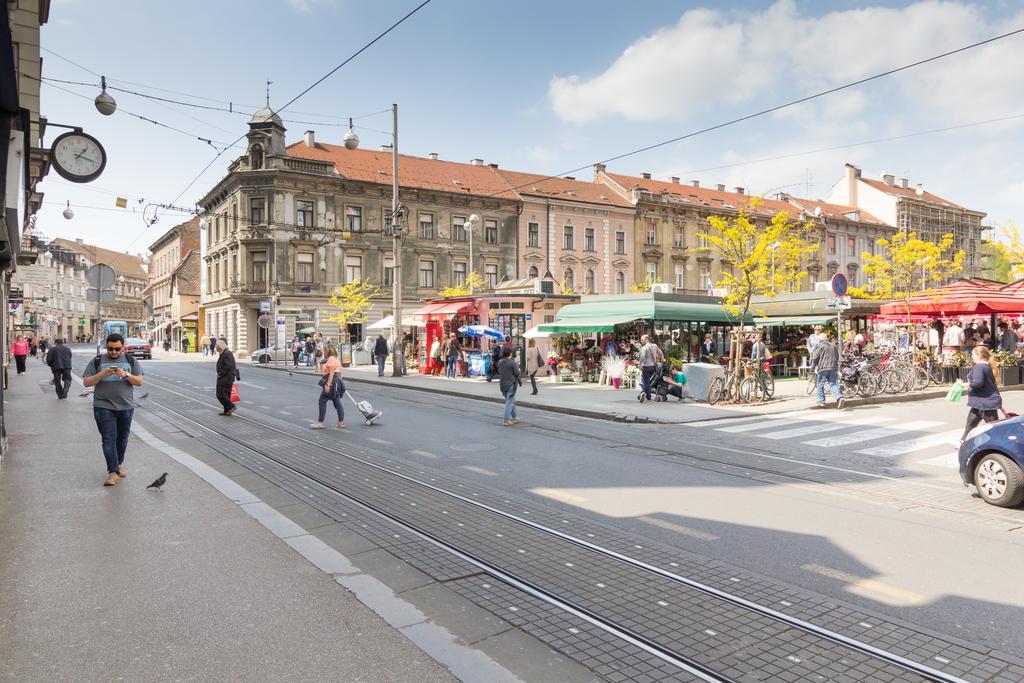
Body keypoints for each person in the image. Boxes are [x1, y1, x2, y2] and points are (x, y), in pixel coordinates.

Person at [82, 333, 145, 486]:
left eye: (117, 349)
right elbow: (86, 382)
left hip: (126, 406)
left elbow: (140, 381)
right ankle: (113, 472)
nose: (114, 352)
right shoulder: (97, 361)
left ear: (123, 347)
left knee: (122, 438)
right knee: (108, 438)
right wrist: (102, 373)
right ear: (106, 347)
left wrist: (126, 374)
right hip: (103, 406)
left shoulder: (131, 360)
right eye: (110, 349)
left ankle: (118, 463)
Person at [961, 345, 1001, 443]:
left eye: (973, 354)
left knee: (993, 429)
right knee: (970, 425)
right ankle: (963, 442)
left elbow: (978, 383)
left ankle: (999, 447)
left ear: (979, 356)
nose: (972, 356)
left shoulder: (980, 367)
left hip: (986, 403)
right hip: (980, 402)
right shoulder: (986, 366)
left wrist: (963, 384)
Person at [311, 344, 345, 429]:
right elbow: (340, 374)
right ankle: (341, 422)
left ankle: (320, 422)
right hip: (336, 382)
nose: (323, 352)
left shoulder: (331, 359)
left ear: (327, 351)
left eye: (324, 351)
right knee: (337, 402)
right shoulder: (336, 359)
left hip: (331, 381)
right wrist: (339, 384)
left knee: (322, 400)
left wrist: (328, 385)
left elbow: (331, 373)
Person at [810, 332, 844, 409]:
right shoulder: (833, 346)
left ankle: (822, 401)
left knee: (820, 384)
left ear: (819, 339)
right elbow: (837, 356)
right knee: (833, 384)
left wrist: (812, 368)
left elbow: (815, 358)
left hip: (823, 368)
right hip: (833, 367)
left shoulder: (820, 346)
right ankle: (839, 397)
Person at [496, 347, 521, 426]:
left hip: (502, 384)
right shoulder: (512, 363)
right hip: (510, 384)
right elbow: (517, 373)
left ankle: (514, 417)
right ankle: (506, 420)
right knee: (509, 402)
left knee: (511, 400)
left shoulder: (500, 362)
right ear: (510, 353)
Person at [215, 339, 240, 416]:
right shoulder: (224, 352)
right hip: (227, 377)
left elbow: (228, 365)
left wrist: (221, 373)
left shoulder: (227, 353)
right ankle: (227, 411)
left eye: (217, 346)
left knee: (220, 394)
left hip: (225, 377)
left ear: (221, 346)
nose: (216, 348)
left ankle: (231, 406)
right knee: (226, 394)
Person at [638, 334, 664, 401]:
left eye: (642, 340)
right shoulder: (655, 346)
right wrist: (661, 363)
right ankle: (646, 393)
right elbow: (661, 354)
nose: (641, 341)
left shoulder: (644, 348)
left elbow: (642, 357)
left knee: (646, 382)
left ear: (647, 339)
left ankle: (647, 395)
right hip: (653, 367)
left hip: (646, 367)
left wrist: (640, 364)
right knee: (651, 382)